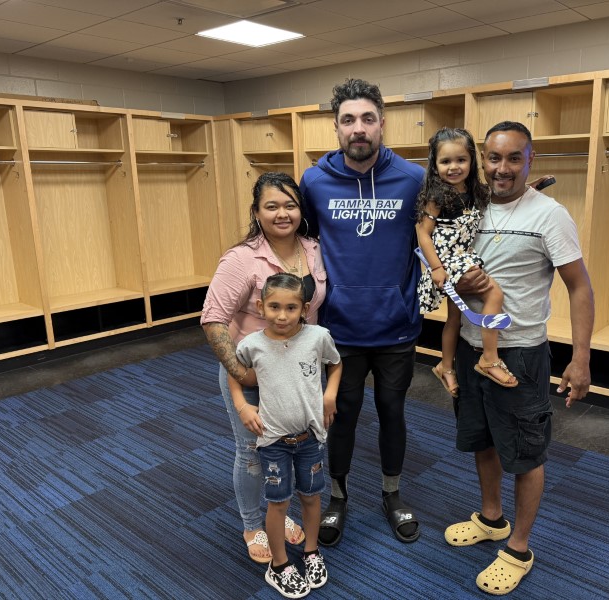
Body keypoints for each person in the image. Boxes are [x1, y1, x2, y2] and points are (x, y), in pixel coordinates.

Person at [444, 121, 594, 596]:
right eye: (493, 157)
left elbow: (579, 287)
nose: (501, 168)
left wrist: (581, 358)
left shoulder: (551, 215)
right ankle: (492, 518)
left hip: (521, 354)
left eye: (514, 158)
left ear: (531, 160)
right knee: (483, 442)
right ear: (481, 160)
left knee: (526, 455)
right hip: (472, 348)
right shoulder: (471, 208)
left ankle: (519, 548)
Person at [299, 78, 425, 546]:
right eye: (348, 120)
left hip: (395, 326)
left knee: (393, 411)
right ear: (335, 128)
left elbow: (447, 226)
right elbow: (302, 243)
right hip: (339, 329)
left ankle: (392, 493)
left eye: (367, 119)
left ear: (382, 124)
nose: (359, 128)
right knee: (342, 414)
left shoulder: (413, 179)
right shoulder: (314, 181)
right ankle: (337, 496)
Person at [200, 172, 327, 565]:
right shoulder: (242, 259)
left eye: (290, 204)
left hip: (301, 374)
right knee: (253, 452)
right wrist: (241, 378)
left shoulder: (313, 249)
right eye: (271, 206)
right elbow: (213, 319)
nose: (282, 213)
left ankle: (279, 512)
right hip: (252, 375)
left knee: (292, 451)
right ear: (256, 212)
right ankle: (253, 524)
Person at [232, 272, 342, 598]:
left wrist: (330, 393)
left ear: (305, 308)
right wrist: (242, 406)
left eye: (291, 308)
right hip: (273, 442)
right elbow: (234, 373)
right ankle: (278, 565)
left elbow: (335, 364)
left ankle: (311, 551)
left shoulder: (318, 337)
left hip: (310, 438)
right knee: (278, 503)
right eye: (274, 306)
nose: (282, 315)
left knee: (311, 497)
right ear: (260, 306)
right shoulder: (251, 344)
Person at [415, 127, 517, 398]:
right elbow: (422, 232)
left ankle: (445, 366)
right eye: (445, 161)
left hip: (463, 255)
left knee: (454, 318)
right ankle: (489, 358)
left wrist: (532, 187)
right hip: (448, 259)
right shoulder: (438, 196)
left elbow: (503, 196)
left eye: (460, 160)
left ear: (472, 160)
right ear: (435, 165)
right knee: (494, 292)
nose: (453, 167)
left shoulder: (476, 191)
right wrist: (436, 267)